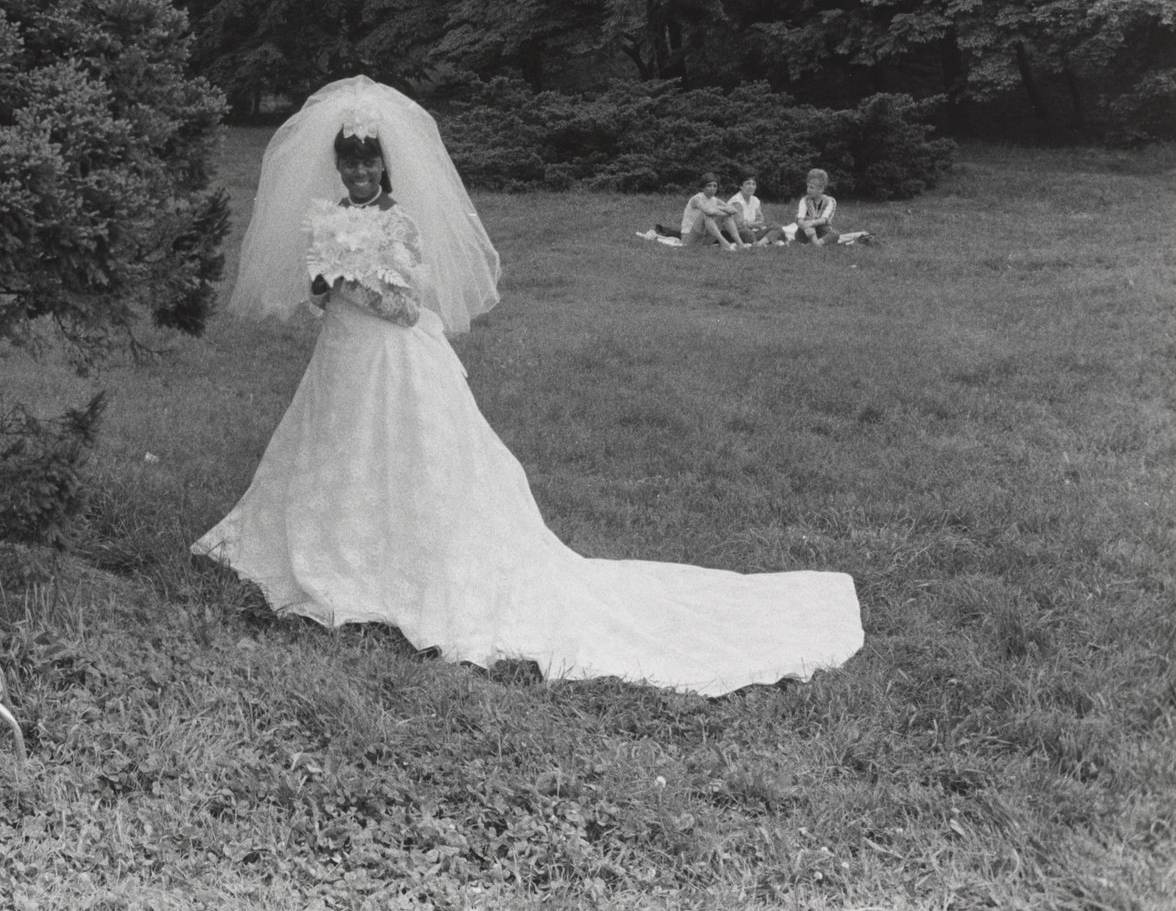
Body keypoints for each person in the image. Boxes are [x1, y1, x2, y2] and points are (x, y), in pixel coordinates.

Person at [194, 77, 863, 695]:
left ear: (385, 166)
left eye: (369, 162)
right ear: (339, 166)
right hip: (341, 350)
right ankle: (329, 545)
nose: (361, 172)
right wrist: (327, 275)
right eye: (351, 163)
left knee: (412, 453)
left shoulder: (399, 217)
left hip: (391, 349)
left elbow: (404, 301)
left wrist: (358, 283)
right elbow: (317, 286)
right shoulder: (330, 213)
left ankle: (405, 562)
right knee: (335, 442)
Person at [659, 176, 743, 250]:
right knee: (706, 215)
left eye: (715, 186)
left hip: (706, 238)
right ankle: (725, 243)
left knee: (727, 216)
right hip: (689, 237)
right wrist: (723, 211)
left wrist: (722, 210)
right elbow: (708, 211)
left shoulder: (715, 200)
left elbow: (734, 210)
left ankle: (740, 244)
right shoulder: (697, 199)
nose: (712, 188)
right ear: (702, 188)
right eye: (709, 185)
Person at [792, 169, 840, 245]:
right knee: (807, 218)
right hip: (805, 232)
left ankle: (816, 242)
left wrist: (812, 223)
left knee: (835, 234)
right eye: (807, 187)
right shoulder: (804, 200)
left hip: (822, 231)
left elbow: (824, 220)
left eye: (812, 187)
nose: (808, 190)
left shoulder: (830, 201)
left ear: (821, 189)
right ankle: (815, 243)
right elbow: (800, 217)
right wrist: (802, 223)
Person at [725, 177, 769, 245]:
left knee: (775, 226)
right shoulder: (736, 201)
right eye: (748, 183)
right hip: (738, 232)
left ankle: (759, 243)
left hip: (753, 230)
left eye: (754, 184)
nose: (751, 187)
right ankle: (763, 241)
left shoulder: (755, 200)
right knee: (748, 234)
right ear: (741, 186)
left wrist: (758, 224)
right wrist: (752, 224)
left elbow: (760, 219)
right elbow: (739, 225)